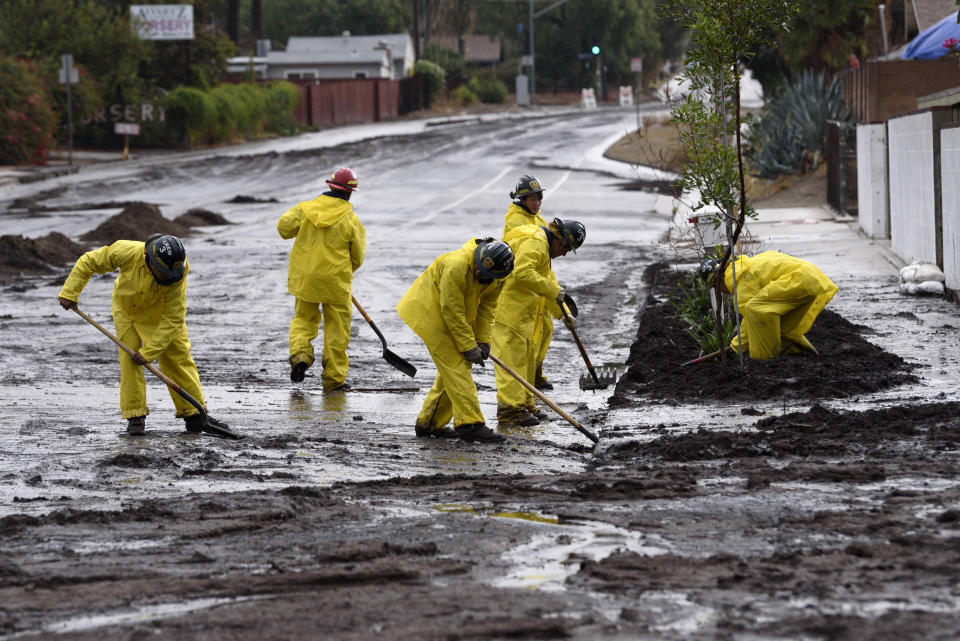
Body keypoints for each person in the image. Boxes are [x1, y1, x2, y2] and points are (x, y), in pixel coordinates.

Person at [57, 234, 216, 436]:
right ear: (149, 260)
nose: (169, 278)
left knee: (177, 355)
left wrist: (149, 352)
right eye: (164, 273)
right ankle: (135, 418)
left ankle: (195, 415)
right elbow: (89, 261)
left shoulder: (178, 273)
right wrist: (70, 292)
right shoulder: (126, 251)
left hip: (160, 314)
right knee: (130, 360)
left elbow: (174, 319)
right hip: (127, 311)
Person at [397, 238, 514, 443]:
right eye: (478, 269)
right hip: (431, 313)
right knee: (457, 367)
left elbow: (487, 309)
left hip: (455, 317)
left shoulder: (498, 278)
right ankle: (470, 424)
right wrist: (469, 345)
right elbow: (451, 309)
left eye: (484, 274)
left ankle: (429, 423)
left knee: (450, 374)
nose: (478, 274)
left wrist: (483, 341)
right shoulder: (456, 265)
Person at [277, 168, 365, 390]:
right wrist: (342, 274)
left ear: (330, 186)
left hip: (305, 280)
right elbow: (358, 257)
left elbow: (283, 228)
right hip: (335, 283)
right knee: (337, 329)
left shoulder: (305, 209)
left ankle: (300, 357)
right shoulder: (351, 220)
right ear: (350, 193)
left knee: (304, 320)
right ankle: (334, 379)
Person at [492, 217, 585, 427]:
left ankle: (525, 405)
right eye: (566, 249)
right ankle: (510, 411)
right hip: (508, 312)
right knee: (511, 364)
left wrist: (564, 314)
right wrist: (553, 291)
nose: (564, 254)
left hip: (522, 314)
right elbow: (522, 273)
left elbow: (548, 282)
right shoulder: (536, 242)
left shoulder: (543, 246)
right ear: (559, 240)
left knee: (525, 363)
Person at [699, 251, 839, 360]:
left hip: (798, 281)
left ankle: (765, 362)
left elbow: (751, 321)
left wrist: (736, 346)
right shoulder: (743, 267)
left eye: (716, 288)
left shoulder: (741, 280)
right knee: (780, 328)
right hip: (809, 278)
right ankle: (807, 356)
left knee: (755, 310)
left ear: (718, 281)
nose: (721, 292)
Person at [502, 174, 560, 391]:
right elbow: (524, 265)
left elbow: (544, 261)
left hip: (539, 282)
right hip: (524, 286)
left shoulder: (539, 220)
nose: (536, 203)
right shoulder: (516, 221)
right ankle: (529, 378)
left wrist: (555, 293)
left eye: (538, 198)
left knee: (545, 328)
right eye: (532, 199)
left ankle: (536, 371)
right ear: (522, 200)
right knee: (530, 334)